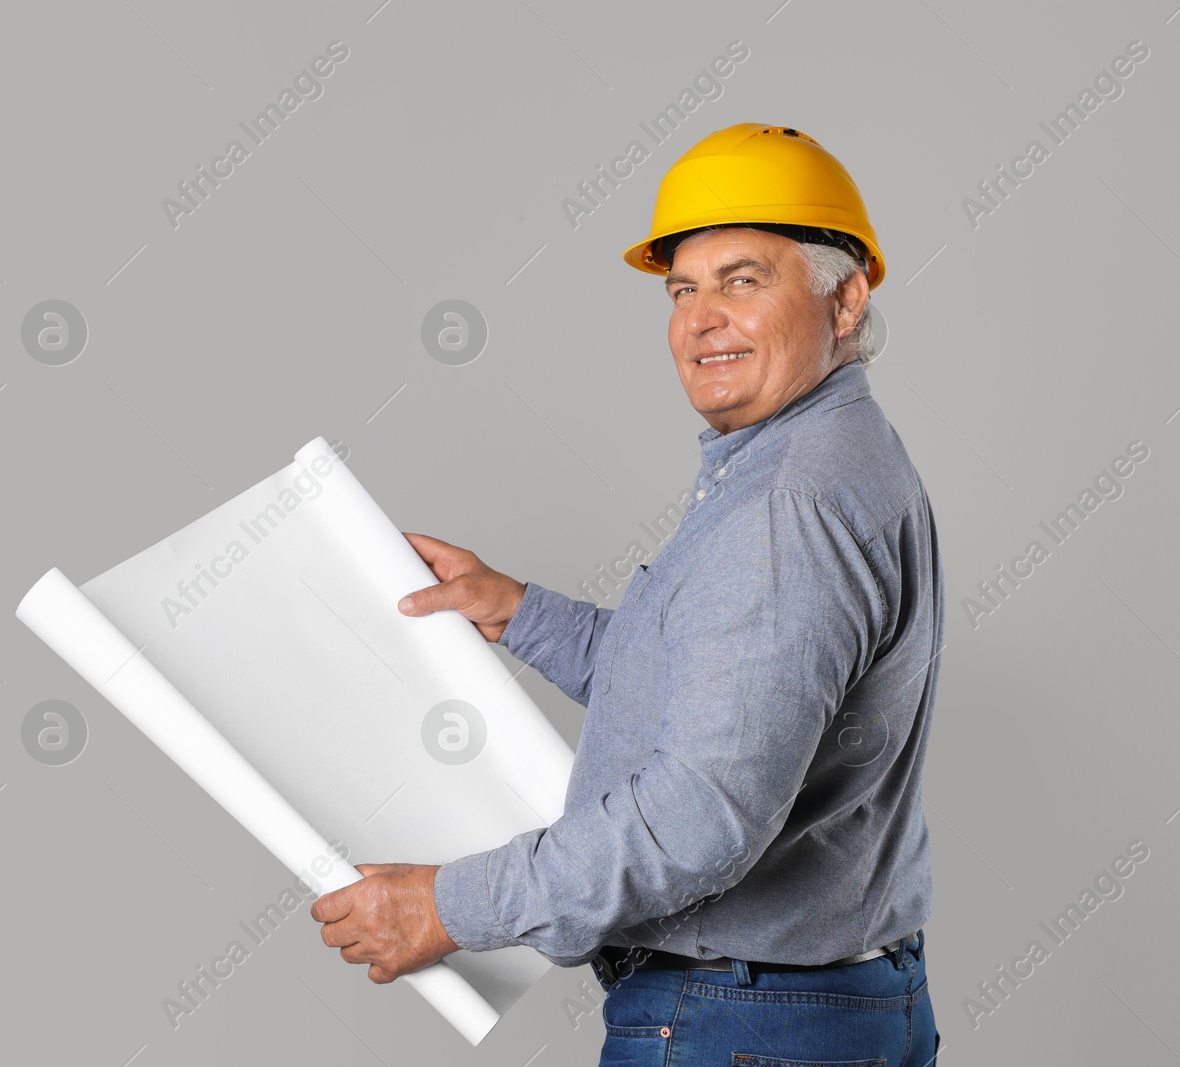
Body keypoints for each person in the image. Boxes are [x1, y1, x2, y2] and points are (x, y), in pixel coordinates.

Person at [311, 123, 945, 1066]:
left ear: (845, 299)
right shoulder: (835, 452)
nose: (699, 320)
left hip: (743, 1024)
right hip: (821, 1009)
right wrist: (516, 609)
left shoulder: (787, 504)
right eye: (683, 290)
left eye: (743, 279)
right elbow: (716, 686)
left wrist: (443, 905)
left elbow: (700, 815)